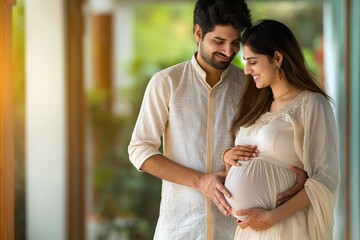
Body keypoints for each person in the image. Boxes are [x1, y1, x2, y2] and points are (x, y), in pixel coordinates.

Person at [128, 1, 307, 238]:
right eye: (218, 41)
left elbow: (273, 139)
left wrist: (298, 176)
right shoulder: (167, 82)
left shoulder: (250, 86)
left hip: (239, 230)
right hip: (181, 229)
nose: (228, 51)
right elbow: (140, 149)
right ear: (198, 33)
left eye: (235, 43)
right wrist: (200, 181)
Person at [223, 19, 340, 240]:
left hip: (286, 226)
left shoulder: (311, 103)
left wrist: (272, 217)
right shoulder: (255, 106)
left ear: (277, 58)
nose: (247, 71)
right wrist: (228, 157)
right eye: (245, 62)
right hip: (249, 230)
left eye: (253, 62)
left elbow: (327, 177)